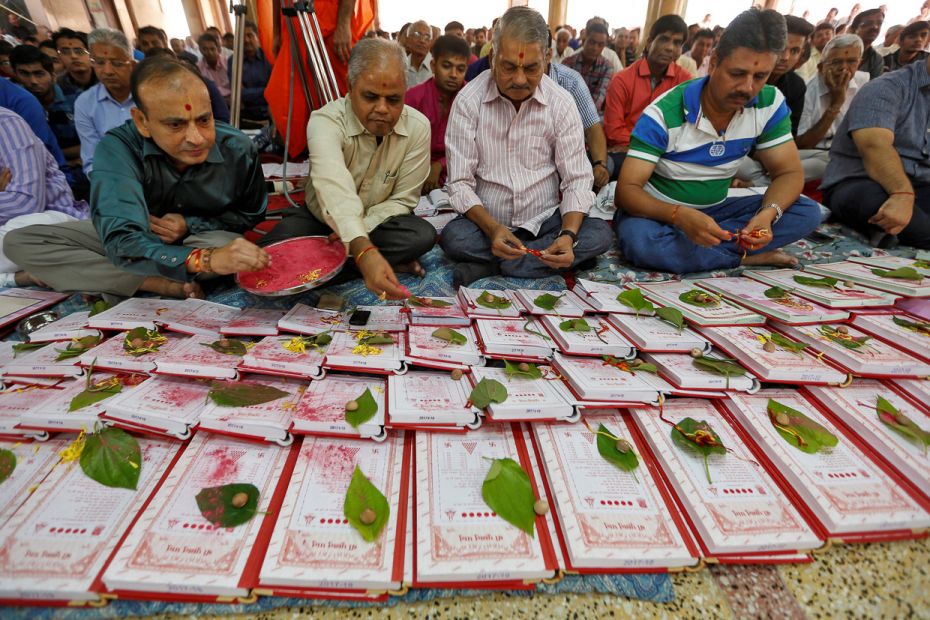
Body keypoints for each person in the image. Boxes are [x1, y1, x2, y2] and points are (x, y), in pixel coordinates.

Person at [5, 56, 269, 299]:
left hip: (201, 239)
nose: (196, 138)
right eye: (175, 124)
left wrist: (191, 224)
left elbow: (251, 214)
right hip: (137, 236)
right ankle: (153, 283)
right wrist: (204, 260)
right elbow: (121, 239)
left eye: (204, 120)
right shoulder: (118, 148)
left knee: (227, 247)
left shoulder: (236, 147)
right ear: (142, 121)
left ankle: (110, 279)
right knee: (21, 242)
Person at [614, 9, 821, 274]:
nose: (747, 87)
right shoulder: (663, 114)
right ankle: (741, 256)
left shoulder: (770, 103)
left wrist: (767, 216)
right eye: (737, 73)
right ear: (713, 64)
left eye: (760, 77)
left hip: (718, 210)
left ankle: (708, 250)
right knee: (641, 243)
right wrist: (679, 215)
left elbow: (789, 173)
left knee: (806, 210)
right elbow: (627, 191)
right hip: (660, 214)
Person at [441, 6, 612, 287]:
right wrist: (493, 229)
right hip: (487, 225)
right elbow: (459, 184)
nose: (519, 79)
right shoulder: (468, 101)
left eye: (531, 68)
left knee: (599, 234)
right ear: (493, 56)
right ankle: (545, 263)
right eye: (509, 67)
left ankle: (492, 266)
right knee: (455, 237)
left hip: (547, 221)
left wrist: (567, 236)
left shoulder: (561, 101)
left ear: (546, 59)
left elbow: (577, 180)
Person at [258, 38, 435, 300]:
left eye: (394, 99)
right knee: (265, 257)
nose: (382, 109)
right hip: (320, 220)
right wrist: (363, 251)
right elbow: (334, 190)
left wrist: (359, 231)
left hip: (377, 223)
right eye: (370, 97)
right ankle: (373, 266)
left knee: (421, 235)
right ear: (350, 88)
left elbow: (403, 199)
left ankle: (322, 269)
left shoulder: (418, 127)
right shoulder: (325, 121)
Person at [821, 55, 930, 249]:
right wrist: (902, 194)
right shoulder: (887, 87)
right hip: (861, 183)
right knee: (917, 227)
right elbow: (875, 147)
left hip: (920, 186)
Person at [0, 106, 88, 287]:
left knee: (18, 234)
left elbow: (24, 205)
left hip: (48, 226)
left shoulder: (6, 123)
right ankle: (17, 278)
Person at [603, 15, 692, 178]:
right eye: (664, 39)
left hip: (667, 155)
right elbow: (613, 131)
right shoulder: (622, 80)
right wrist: (646, 147)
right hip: (629, 154)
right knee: (611, 166)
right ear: (650, 41)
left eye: (677, 43)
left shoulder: (685, 82)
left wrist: (651, 146)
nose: (670, 48)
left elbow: (688, 129)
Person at [795, 34, 869, 182]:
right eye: (836, 62)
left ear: (859, 64)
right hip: (814, 152)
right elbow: (802, 145)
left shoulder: (865, 84)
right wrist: (835, 104)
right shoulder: (808, 91)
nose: (843, 68)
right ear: (821, 67)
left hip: (847, 153)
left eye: (851, 62)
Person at [405, 35, 469, 193]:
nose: (454, 74)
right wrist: (425, 169)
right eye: (447, 66)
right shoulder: (413, 98)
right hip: (413, 172)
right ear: (433, 66)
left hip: (458, 173)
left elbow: (474, 147)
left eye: (460, 69)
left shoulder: (471, 99)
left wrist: (440, 165)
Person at [74, 28, 135, 176]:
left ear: (132, 65)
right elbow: (92, 160)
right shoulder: (85, 103)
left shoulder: (149, 95)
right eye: (99, 63)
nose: (107, 71)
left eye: (117, 63)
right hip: (114, 181)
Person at [9, 45, 81, 168]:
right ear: (15, 74)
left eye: (39, 74)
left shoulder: (76, 98)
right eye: (24, 74)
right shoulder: (13, 107)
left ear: (53, 76)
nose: (33, 81)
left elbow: (94, 142)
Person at [560, 22, 615, 115]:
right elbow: (562, 98)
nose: (595, 48)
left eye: (600, 45)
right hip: (566, 115)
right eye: (592, 42)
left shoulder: (607, 67)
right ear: (584, 40)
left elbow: (598, 101)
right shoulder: (567, 64)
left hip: (592, 117)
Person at [230, 20, 272, 124]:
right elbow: (239, 94)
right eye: (242, 37)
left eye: (250, 35)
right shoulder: (234, 61)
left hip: (271, 112)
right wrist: (265, 90)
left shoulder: (268, 56)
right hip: (248, 116)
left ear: (257, 37)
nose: (246, 40)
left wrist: (249, 92)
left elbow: (274, 91)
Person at [851, 8, 885, 79]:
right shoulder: (837, 49)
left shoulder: (877, 60)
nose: (875, 27)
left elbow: (872, 88)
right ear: (855, 29)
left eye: (879, 23)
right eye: (868, 23)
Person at [197, 32, 230, 98]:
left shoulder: (228, 62)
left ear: (218, 49)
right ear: (200, 50)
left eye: (212, 49)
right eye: (205, 49)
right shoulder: (198, 68)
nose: (209, 53)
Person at [405, 20, 433, 88]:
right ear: (408, 40)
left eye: (427, 37)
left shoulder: (437, 67)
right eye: (417, 35)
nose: (422, 40)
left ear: (431, 42)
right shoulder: (401, 66)